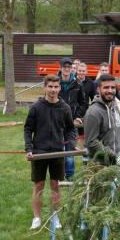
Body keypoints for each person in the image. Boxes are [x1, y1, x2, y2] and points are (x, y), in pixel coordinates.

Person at [24, 74, 76, 230]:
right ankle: (37, 218)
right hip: (39, 152)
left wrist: (72, 144)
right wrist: (29, 148)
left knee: (55, 185)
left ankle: (55, 217)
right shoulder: (36, 107)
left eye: (56, 87)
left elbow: (70, 129)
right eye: (50, 86)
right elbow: (28, 129)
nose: (53, 90)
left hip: (57, 152)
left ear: (59, 88)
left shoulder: (65, 108)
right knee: (39, 185)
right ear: (44, 87)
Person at [83, 74, 120, 165]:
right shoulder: (93, 112)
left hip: (116, 162)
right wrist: (115, 156)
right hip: (100, 165)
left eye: (113, 87)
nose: (110, 90)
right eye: (106, 87)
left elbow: (118, 129)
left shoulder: (114, 107)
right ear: (98, 89)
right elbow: (91, 142)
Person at [56, 57, 86, 181]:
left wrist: (77, 116)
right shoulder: (55, 83)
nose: (67, 69)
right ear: (60, 68)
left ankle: (69, 175)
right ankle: (58, 174)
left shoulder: (77, 84)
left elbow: (83, 103)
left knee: (70, 149)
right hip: (57, 122)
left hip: (72, 123)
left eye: (69, 67)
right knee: (57, 149)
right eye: (65, 67)